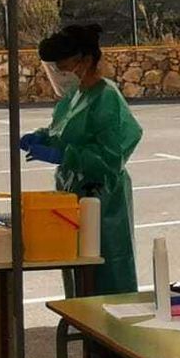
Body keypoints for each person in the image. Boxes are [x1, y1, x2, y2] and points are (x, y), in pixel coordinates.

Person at [21, 23, 143, 296]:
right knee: (78, 277)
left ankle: (108, 335)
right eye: (55, 70)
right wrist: (42, 138)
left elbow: (112, 157)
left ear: (86, 61)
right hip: (71, 198)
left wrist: (65, 155)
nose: (60, 75)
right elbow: (63, 132)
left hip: (103, 199)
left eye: (63, 68)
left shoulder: (107, 98)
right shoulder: (74, 97)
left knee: (106, 273)